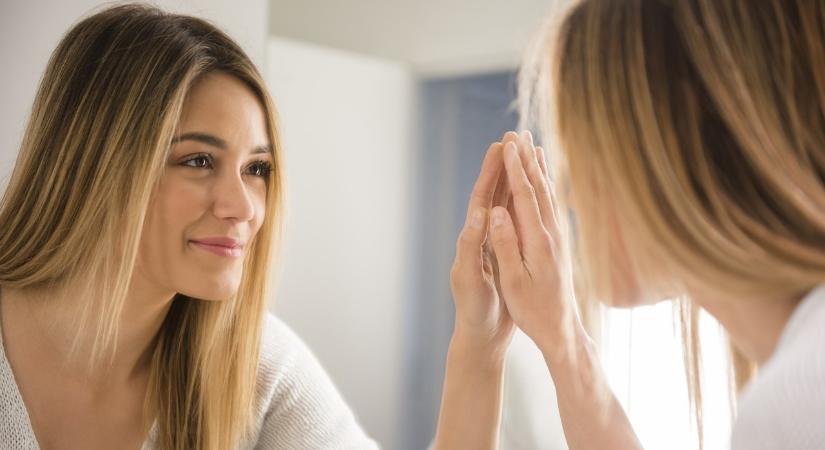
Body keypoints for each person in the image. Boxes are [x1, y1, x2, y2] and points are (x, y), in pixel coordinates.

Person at [432, 0, 825, 449]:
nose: (573, 195)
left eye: (587, 147)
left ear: (673, 149)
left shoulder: (797, 403)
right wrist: (527, 342)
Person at [0, 4, 377, 449]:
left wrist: (476, 349)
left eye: (257, 168)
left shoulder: (257, 366)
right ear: (94, 164)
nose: (243, 208)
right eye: (198, 161)